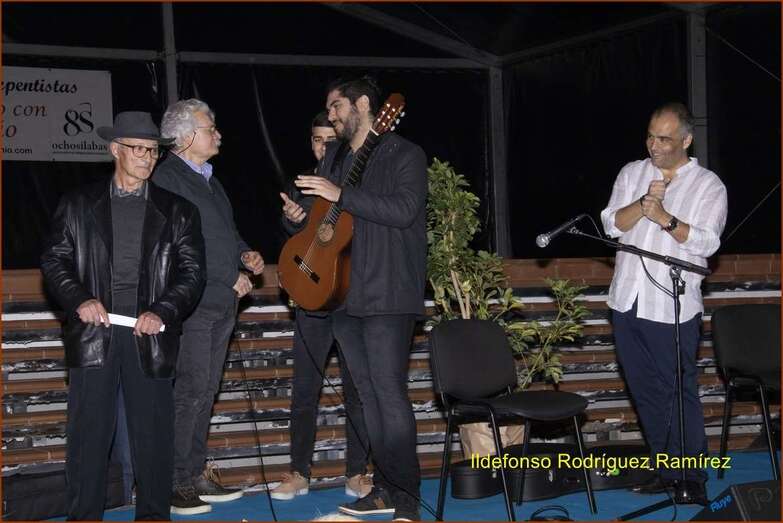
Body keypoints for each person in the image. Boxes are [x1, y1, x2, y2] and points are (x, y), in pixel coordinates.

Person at [40, 111, 205, 520]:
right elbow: (54, 260)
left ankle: (153, 516)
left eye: (153, 151)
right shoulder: (77, 204)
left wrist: (162, 310)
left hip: (150, 334)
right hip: (94, 333)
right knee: (88, 438)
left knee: (153, 439)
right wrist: (79, 298)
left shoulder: (180, 210)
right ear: (115, 149)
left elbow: (192, 273)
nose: (147, 158)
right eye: (138, 149)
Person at [295, 77, 427, 521]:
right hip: (342, 295)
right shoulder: (334, 157)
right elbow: (324, 220)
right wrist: (298, 219)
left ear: (364, 104)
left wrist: (343, 194)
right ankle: (384, 487)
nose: (331, 115)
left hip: (387, 292)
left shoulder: (405, 154)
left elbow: (404, 210)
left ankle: (408, 498)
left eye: (336, 106)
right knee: (368, 397)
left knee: (389, 394)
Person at [600, 102, 727, 504]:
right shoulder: (632, 172)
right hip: (627, 300)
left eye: (664, 139)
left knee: (677, 391)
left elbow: (708, 242)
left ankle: (692, 477)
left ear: (686, 140)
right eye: (650, 137)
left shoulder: (709, 186)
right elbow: (610, 224)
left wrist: (665, 218)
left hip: (672, 304)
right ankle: (666, 469)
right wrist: (643, 204)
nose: (654, 146)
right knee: (645, 391)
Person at [154, 99, 265, 515]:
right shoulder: (166, 178)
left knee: (206, 391)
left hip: (222, 302)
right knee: (190, 391)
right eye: (210, 127)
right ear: (185, 137)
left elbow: (225, 234)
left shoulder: (210, 181)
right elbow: (178, 246)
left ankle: (195, 472)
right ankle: (175, 482)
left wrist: (245, 254)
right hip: (194, 304)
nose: (218, 133)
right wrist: (225, 275)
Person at [273, 111, 372, 500]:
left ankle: (357, 472)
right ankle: (299, 472)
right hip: (312, 301)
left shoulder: (359, 181)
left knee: (357, 390)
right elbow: (298, 239)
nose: (323, 147)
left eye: (330, 139)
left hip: (351, 301)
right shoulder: (302, 184)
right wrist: (292, 220)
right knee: (304, 390)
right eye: (317, 140)